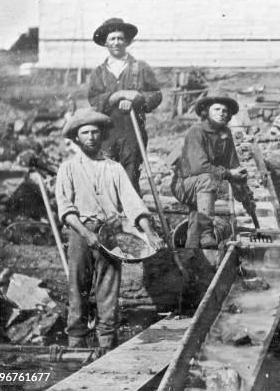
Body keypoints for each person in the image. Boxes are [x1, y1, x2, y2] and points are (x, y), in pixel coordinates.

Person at [55, 108, 164, 350]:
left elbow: (133, 204)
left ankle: (106, 347)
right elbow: (65, 207)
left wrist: (150, 233)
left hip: (110, 235)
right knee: (78, 288)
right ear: (76, 138)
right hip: (80, 232)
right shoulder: (68, 168)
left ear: (102, 135)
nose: (91, 137)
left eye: (95, 132)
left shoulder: (113, 168)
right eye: (85, 133)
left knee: (108, 292)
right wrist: (86, 233)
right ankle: (76, 345)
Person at [170, 93, 255, 249]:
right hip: (184, 184)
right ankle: (206, 233)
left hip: (203, 187)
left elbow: (233, 166)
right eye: (216, 109)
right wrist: (229, 174)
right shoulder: (196, 131)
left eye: (224, 111)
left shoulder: (226, 134)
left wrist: (244, 195)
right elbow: (199, 167)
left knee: (197, 219)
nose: (221, 113)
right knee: (208, 179)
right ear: (206, 112)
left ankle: (192, 254)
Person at [88, 18, 162, 195]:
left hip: (132, 132)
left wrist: (137, 99)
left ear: (127, 41)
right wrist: (117, 96)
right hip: (106, 133)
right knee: (106, 178)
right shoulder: (99, 72)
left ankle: (132, 219)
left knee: (130, 178)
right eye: (112, 39)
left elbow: (156, 94)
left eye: (120, 38)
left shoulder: (140, 67)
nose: (116, 42)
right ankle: (111, 220)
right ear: (105, 43)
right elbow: (94, 100)